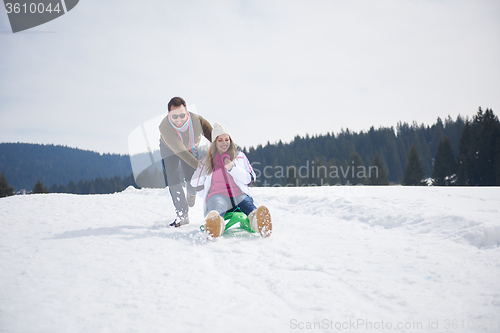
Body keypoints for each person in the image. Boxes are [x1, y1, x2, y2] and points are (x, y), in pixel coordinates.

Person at [191, 123, 272, 238]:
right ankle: (215, 225)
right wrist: (207, 193)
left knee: (247, 204)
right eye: (220, 140)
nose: (224, 143)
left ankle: (258, 222)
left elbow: (250, 178)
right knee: (219, 205)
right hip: (217, 195)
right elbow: (195, 184)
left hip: (238, 194)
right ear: (214, 143)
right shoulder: (207, 161)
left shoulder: (240, 157)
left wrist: (233, 168)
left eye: (226, 139)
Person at [159, 97, 212, 227]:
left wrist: (230, 149)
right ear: (169, 115)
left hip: (190, 147)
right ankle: (182, 215)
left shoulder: (197, 121)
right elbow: (180, 151)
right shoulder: (164, 126)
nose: (179, 119)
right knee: (173, 178)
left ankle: (191, 190)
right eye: (174, 116)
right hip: (170, 148)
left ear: (187, 112)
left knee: (192, 178)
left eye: (182, 115)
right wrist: (198, 164)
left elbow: (215, 136)